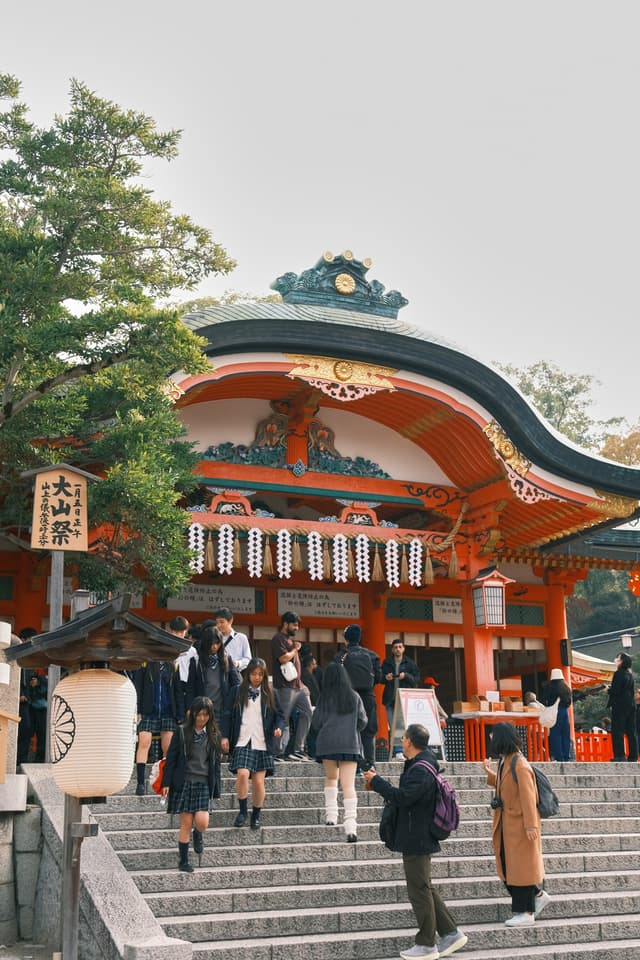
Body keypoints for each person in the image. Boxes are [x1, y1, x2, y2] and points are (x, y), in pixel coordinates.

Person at [363, 725, 467, 959]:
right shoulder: (421, 763)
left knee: (419, 890)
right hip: (418, 834)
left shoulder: (420, 769)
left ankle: (426, 944)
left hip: (417, 837)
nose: (402, 740)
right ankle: (450, 933)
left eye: (404, 737)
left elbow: (404, 798)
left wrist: (377, 782)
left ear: (409, 741)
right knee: (425, 886)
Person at [482, 722, 550, 926]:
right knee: (510, 868)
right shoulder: (508, 760)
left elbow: (529, 797)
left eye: (493, 735)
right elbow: (506, 785)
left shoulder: (519, 763)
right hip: (509, 825)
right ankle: (537, 896)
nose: (491, 739)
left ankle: (525, 913)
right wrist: (489, 773)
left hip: (519, 826)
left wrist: (531, 826)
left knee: (520, 871)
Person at [161, 696, 222, 873]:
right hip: (184, 782)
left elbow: (215, 765)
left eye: (206, 715)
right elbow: (171, 759)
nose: (202, 718)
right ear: (192, 714)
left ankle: (198, 834)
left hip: (203, 783)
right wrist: (167, 783)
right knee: (186, 823)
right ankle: (184, 860)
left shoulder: (214, 735)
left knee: (202, 823)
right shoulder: (181, 731)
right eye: (199, 714)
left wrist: (216, 789)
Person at [311, 662, 367, 842]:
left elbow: (316, 723)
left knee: (331, 777)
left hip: (327, 744)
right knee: (348, 785)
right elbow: (362, 721)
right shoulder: (354, 696)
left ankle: (331, 816)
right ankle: (351, 827)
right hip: (349, 744)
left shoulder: (323, 698)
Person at [228, 657, 284, 830]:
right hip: (243, 739)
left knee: (259, 782)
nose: (257, 677)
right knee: (243, 774)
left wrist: (278, 727)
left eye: (260, 674)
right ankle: (243, 811)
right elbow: (226, 714)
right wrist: (224, 737)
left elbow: (280, 715)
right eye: (254, 674)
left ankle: (256, 816)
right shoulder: (237, 691)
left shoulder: (271, 693)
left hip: (262, 741)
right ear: (248, 675)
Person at [337, 624, 382, 770]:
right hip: (368, 696)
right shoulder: (372, 655)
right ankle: (370, 764)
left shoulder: (341, 655)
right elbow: (379, 677)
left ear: (346, 639)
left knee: (349, 728)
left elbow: (336, 676)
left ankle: (353, 764)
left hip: (348, 696)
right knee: (368, 731)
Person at [133, 659, 181, 795]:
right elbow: (138, 687)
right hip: (148, 711)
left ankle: (166, 782)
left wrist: (180, 714)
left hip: (168, 711)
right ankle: (140, 783)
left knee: (168, 748)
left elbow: (178, 691)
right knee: (144, 743)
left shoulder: (173, 666)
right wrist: (137, 710)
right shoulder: (144, 664)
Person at [271, 612, 313, 761]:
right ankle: (275, 752)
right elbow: (283, 658)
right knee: (282, 718)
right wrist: (295, 650)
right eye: (294, 625)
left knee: (307, 713)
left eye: (297, 625)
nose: (297, 628)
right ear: (285, 624)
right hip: (284, 686)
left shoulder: (290, 641)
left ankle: (298, 749)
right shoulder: (278, 639)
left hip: (298, 685)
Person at [185, 621, 241, 731]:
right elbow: (190, 687)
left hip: (221, 709)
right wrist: (189, 708)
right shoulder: (196, 661)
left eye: (217, 643)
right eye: (211, 643)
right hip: (202, 710)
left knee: (220, 742)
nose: (214, 646)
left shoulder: (226, 659)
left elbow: (236, 683)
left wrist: (232, 703)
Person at [381, 639, 419, 756]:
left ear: (403, 648)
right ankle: (397, 751)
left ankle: (404, 751)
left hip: (404, 700)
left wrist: (406, 676)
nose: (398, 649)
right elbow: (379, 678)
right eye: (395, 647)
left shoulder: (410, 663)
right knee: (393, 727)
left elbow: (416, 680)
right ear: (392, 649)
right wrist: (385, 677)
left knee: (404, 726)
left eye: (400, 647)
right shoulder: (387, 662)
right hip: (390, 699)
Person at [607, 652, 638, 762]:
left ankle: (620, 755)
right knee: (631, 731)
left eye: (618, 658)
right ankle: (633, 756)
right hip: (630, 705)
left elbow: (616, 690)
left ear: (622, 661)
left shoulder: (618, 673)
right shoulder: (629, 674)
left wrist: (608, 689)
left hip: (619, 705)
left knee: (617, 730)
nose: (616, 660)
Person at [16, 627, 38, 766]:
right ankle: (19, 759)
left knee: (28, 730)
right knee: (24, 728)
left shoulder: (30, 658)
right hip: (20, 700)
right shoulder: (17, 656)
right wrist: (19, 695)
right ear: (23, 640)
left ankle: (22, 759)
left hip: (28, 701)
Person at [542, 668, 572, 762]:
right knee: (565, 734)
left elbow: (544, 700)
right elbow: (569, 702)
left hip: (554, 712)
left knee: (556, 734)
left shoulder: (549, 687)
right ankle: (567, 755)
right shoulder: (566, 687)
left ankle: (559, 757)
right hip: (564, 712)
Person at [214, 607, 252, 672]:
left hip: (235, 675)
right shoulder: (214, 638)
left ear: (230, 621)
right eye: (217, 622)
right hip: (217, 675)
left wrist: (238, 663)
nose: (219, 625)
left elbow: (248, 659)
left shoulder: (241, 638)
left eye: (222, 622)